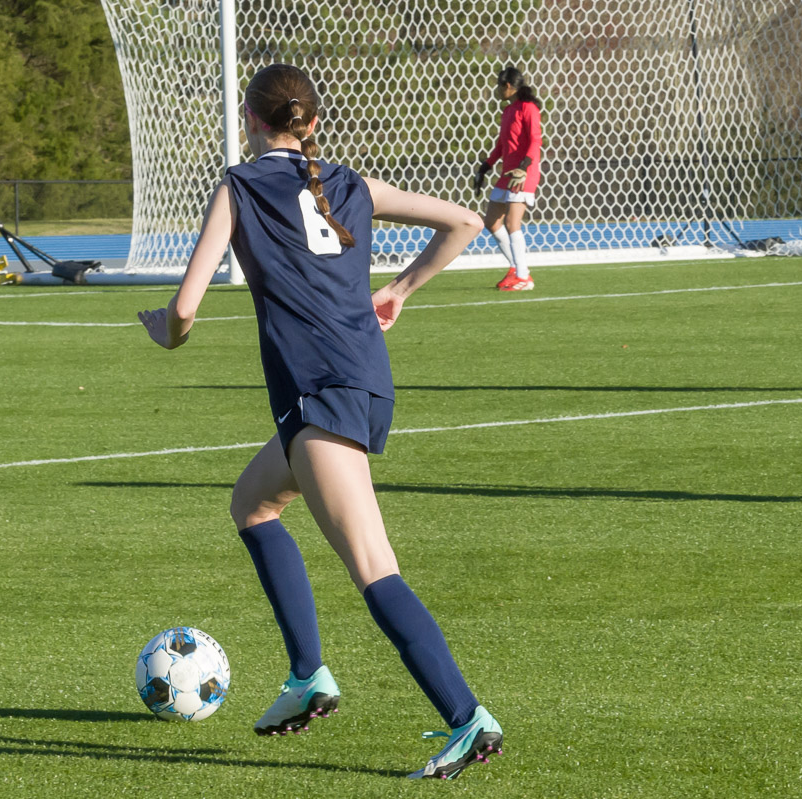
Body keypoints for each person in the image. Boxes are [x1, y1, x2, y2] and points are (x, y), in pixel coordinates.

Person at [138, 63, 502, 781]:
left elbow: (184, 310)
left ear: (249, 119)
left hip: (320, 396)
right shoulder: (352, 183)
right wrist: (397, 290)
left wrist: (163, 333)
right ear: (312, 122)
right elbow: (464, 221)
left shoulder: (238, 186)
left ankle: (467, 718)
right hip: (359, 386)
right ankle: (308, 675)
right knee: (253, 503)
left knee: (375, 568)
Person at [474, 66, 543, 291]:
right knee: (491, 221)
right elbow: (502, 145)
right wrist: (485, 168)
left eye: (497, 86)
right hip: (508, 174)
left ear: (507, 86)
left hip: (523, 173)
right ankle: (515, 267)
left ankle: (524, 278)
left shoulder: (529, 108)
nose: (495, 91)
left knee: (512, 223)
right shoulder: (508, 111)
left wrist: (524, 167)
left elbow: (535, 141)